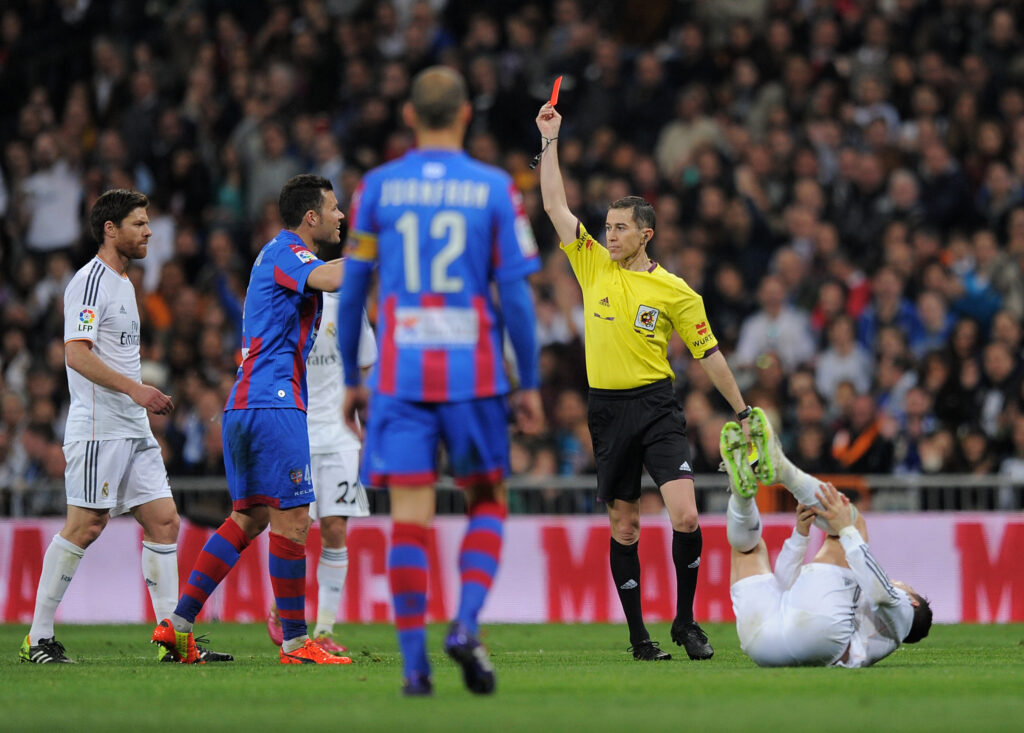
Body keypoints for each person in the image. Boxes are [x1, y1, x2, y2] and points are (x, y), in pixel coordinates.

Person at [338, 67, 543, 696]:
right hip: (474, 374)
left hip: (399, 376)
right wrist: (529, 382)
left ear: (408, 115)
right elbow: (516, 298)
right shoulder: (495, 189)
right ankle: (466, 623)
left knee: (409, 519)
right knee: (487, 500)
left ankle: (413, 671)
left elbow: (352, 289)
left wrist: (351, 376)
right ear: (464, 114)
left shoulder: (376, 188)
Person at [535, 102, 752, 662]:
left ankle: (686, 621)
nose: (608, 235)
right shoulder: (592, 264)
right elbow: (555, 204)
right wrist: (549, 140)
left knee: (686, 515)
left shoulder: (677, 291)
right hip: (607, 409)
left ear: (645, 234)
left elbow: (709, 354)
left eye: (620, 228)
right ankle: (638, 637)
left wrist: (742, 410)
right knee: (625, 526)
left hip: (656, 405)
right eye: (607, 227)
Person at [21, 189, 228, 664]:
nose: (149, 231)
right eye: (139, 223)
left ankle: (173, 639)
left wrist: (137, 399)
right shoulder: (89, 281)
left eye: (148, 222)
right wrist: (135, 389)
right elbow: (76, 353)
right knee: (86, 524)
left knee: (164, 520)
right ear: (110, 229)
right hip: (100, 427)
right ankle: (38, 637)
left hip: (132, 427)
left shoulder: (124, 283)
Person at [151, 174, 348, 665]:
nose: (341, 216)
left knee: (250, 517)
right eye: (334, 208)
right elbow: (332, 278)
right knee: (294, 519)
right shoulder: (288, 252)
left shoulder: (276, 255)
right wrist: (388, 248)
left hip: (249, 402)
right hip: (273, 402)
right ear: (311, 217)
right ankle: (297, 642)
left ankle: (177, 624)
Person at [720, 407, 932, 668]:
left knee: (853, 525)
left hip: (817, 630)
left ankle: (784, 472)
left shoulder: (903, 616)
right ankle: (740, 494)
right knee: (747, 548)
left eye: (903, 585)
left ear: (912, 600)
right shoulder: (865, 616)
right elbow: (783, 586)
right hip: (764, 644)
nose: (895, 581)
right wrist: (800, 536)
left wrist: (847, 531)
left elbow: (881, 593)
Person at [267, 293, 377, 654]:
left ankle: (325, 628)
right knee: (296, 529)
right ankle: (281, 607)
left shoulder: (348, 305)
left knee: (335, 529)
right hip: (296, 431)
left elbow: (367, 364)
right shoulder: (285, 302)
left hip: (341, 435)